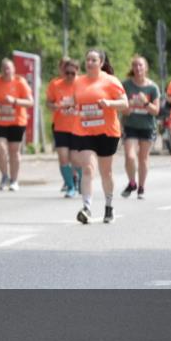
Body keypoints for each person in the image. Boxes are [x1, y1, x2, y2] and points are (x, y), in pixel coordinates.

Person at [71, 49, 128, 224]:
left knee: (106, 172)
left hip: (107, 131)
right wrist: (72, 109)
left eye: (93, 60)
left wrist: (109, 103)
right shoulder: (78, 82)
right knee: (87, 168)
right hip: (84, 130)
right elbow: (76, 103)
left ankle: (109, 205)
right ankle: (87, 207)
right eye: (87, 59)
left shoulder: (111, 81)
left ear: (101, 63)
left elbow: (125, 103)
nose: (89, 63)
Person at [0, 57, 33, 191]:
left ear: (14, 70)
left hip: (17, 121)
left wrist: (14, 101)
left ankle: (14, 180)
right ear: (1, 70)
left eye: (9, 68)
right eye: (4, 68)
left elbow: (30, 102)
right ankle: (4, 175)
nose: (6, 71)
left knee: (14, 151)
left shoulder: (20, 82)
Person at [120, 55, 160, 200]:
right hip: (130, 125)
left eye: (140, 65)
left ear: (146, 68)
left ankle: (141, 188)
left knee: (143, 158)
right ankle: (132, 182)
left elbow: (156, 111)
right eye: (135, 65)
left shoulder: (152, 87)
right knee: (130, 156)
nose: (138, 68)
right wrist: (129, 105)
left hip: (147, 126)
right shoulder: (126, 85)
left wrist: (144, 103)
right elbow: (122, 108)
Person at [47, 58, 81, 198]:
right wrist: (53, 106)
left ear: (77, 72)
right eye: (67, 73)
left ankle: (81, 181)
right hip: (60, 126)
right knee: (63, 158)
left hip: (78, 127)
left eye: (73, 73)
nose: (70, 76)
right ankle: (70, 186)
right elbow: (48, 103)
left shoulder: (82, 84)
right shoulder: (55, 85)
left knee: (75, 159)